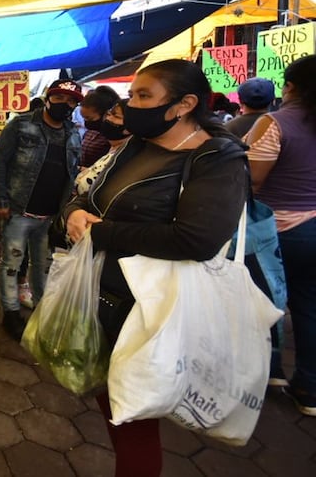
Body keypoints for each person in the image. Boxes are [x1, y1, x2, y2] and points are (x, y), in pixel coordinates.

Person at [63, 59, 248, 477]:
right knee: (115, 404)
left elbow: (196, 240)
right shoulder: (136, 145)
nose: (131, 104)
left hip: (153, 312)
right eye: (132, 95)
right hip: (106, 298)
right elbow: (89, 194)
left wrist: (105, 233)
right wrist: (75, 212)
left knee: (134, 418)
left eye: (144, 96)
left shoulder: (216, 158)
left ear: (183, 104)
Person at [245, 55, 316, 416]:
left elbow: (253, 180)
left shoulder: (274, 123)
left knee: (264, 302)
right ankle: (310, 389)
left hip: (276, 230)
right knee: (308, 306)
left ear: (291, 87)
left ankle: (268, 373)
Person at [0, 79, 82, 339]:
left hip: (49, 216)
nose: (66, 105)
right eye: (61, 98)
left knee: (42, 267)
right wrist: (2, 200)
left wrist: (64, 212)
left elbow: (71, 173)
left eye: (72, 101)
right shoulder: (21, 125)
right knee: (11, 264)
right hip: (19, 211)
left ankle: (43, 312)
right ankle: (11, 315)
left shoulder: (73, 133)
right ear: (49, 97)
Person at [73, 99, 130, 196]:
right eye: (109, 114)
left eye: (116, 116)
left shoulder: (126, 157)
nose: (108, 119)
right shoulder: (113, 149)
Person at [79, 85, 120, 168]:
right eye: (83, 118)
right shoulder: (90, 133)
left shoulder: (114, 138)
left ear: (105, 114)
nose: (86, 122)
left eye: (89, 118)